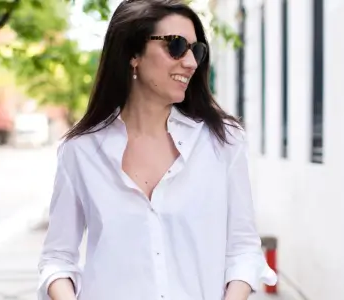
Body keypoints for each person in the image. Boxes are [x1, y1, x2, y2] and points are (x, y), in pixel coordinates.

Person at [37, 0, 277, 299]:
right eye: (175, 46)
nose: (190, 62)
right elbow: (57, 259)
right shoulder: (80, 151)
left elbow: (243, 249)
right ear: (133, 54)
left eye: (196, 50)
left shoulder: (223, 141)